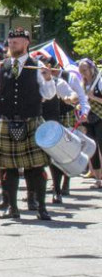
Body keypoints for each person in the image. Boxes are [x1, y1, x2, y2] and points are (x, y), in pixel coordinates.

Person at [0, 27, 57, 221]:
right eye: (10, 42)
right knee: (9, 169)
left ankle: (41, 207)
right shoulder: (0, 67)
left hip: (31, 121)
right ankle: (13, 208)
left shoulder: (36, 66)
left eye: (16, 42)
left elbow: (49, 95)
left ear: (26, 43)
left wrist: (48, 78)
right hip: (7, 121)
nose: (12, 45)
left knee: (36, 168)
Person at [38, 55, 87, 204]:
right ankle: (33, 193)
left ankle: (58, 190)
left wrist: (71, 98)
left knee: (57, 158)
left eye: (45, 67)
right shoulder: (32, 83)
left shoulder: (59, 82)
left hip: (54, 124)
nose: (42, 70)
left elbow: (70, 94)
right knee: (35, 161)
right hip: (36, 122)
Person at [80, 59, 102, 188]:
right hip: (88, 118)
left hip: (100, 117)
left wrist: (93, 97)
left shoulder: (99, 82)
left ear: (91, 69)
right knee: (92, 148)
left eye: (85, 70)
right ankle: (98, 178)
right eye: (81, 71)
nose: (83, 73)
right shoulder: (82, 84)